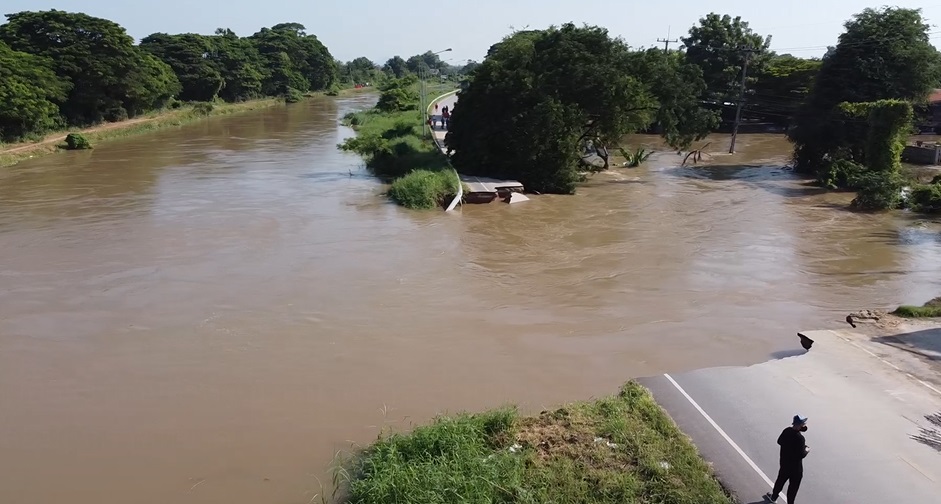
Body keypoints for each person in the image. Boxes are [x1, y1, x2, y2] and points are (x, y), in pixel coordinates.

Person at [767, 415, 810, 503]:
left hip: (784, 463)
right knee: (793, 488)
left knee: (780, 481)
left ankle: (773, 497)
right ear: (799, 425)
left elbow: (779, 441)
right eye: (803, 424)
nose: (804, 425)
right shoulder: (800, 439)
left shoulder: (786, 431)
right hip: (796, 468)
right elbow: (801, 454)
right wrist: (806, 450)